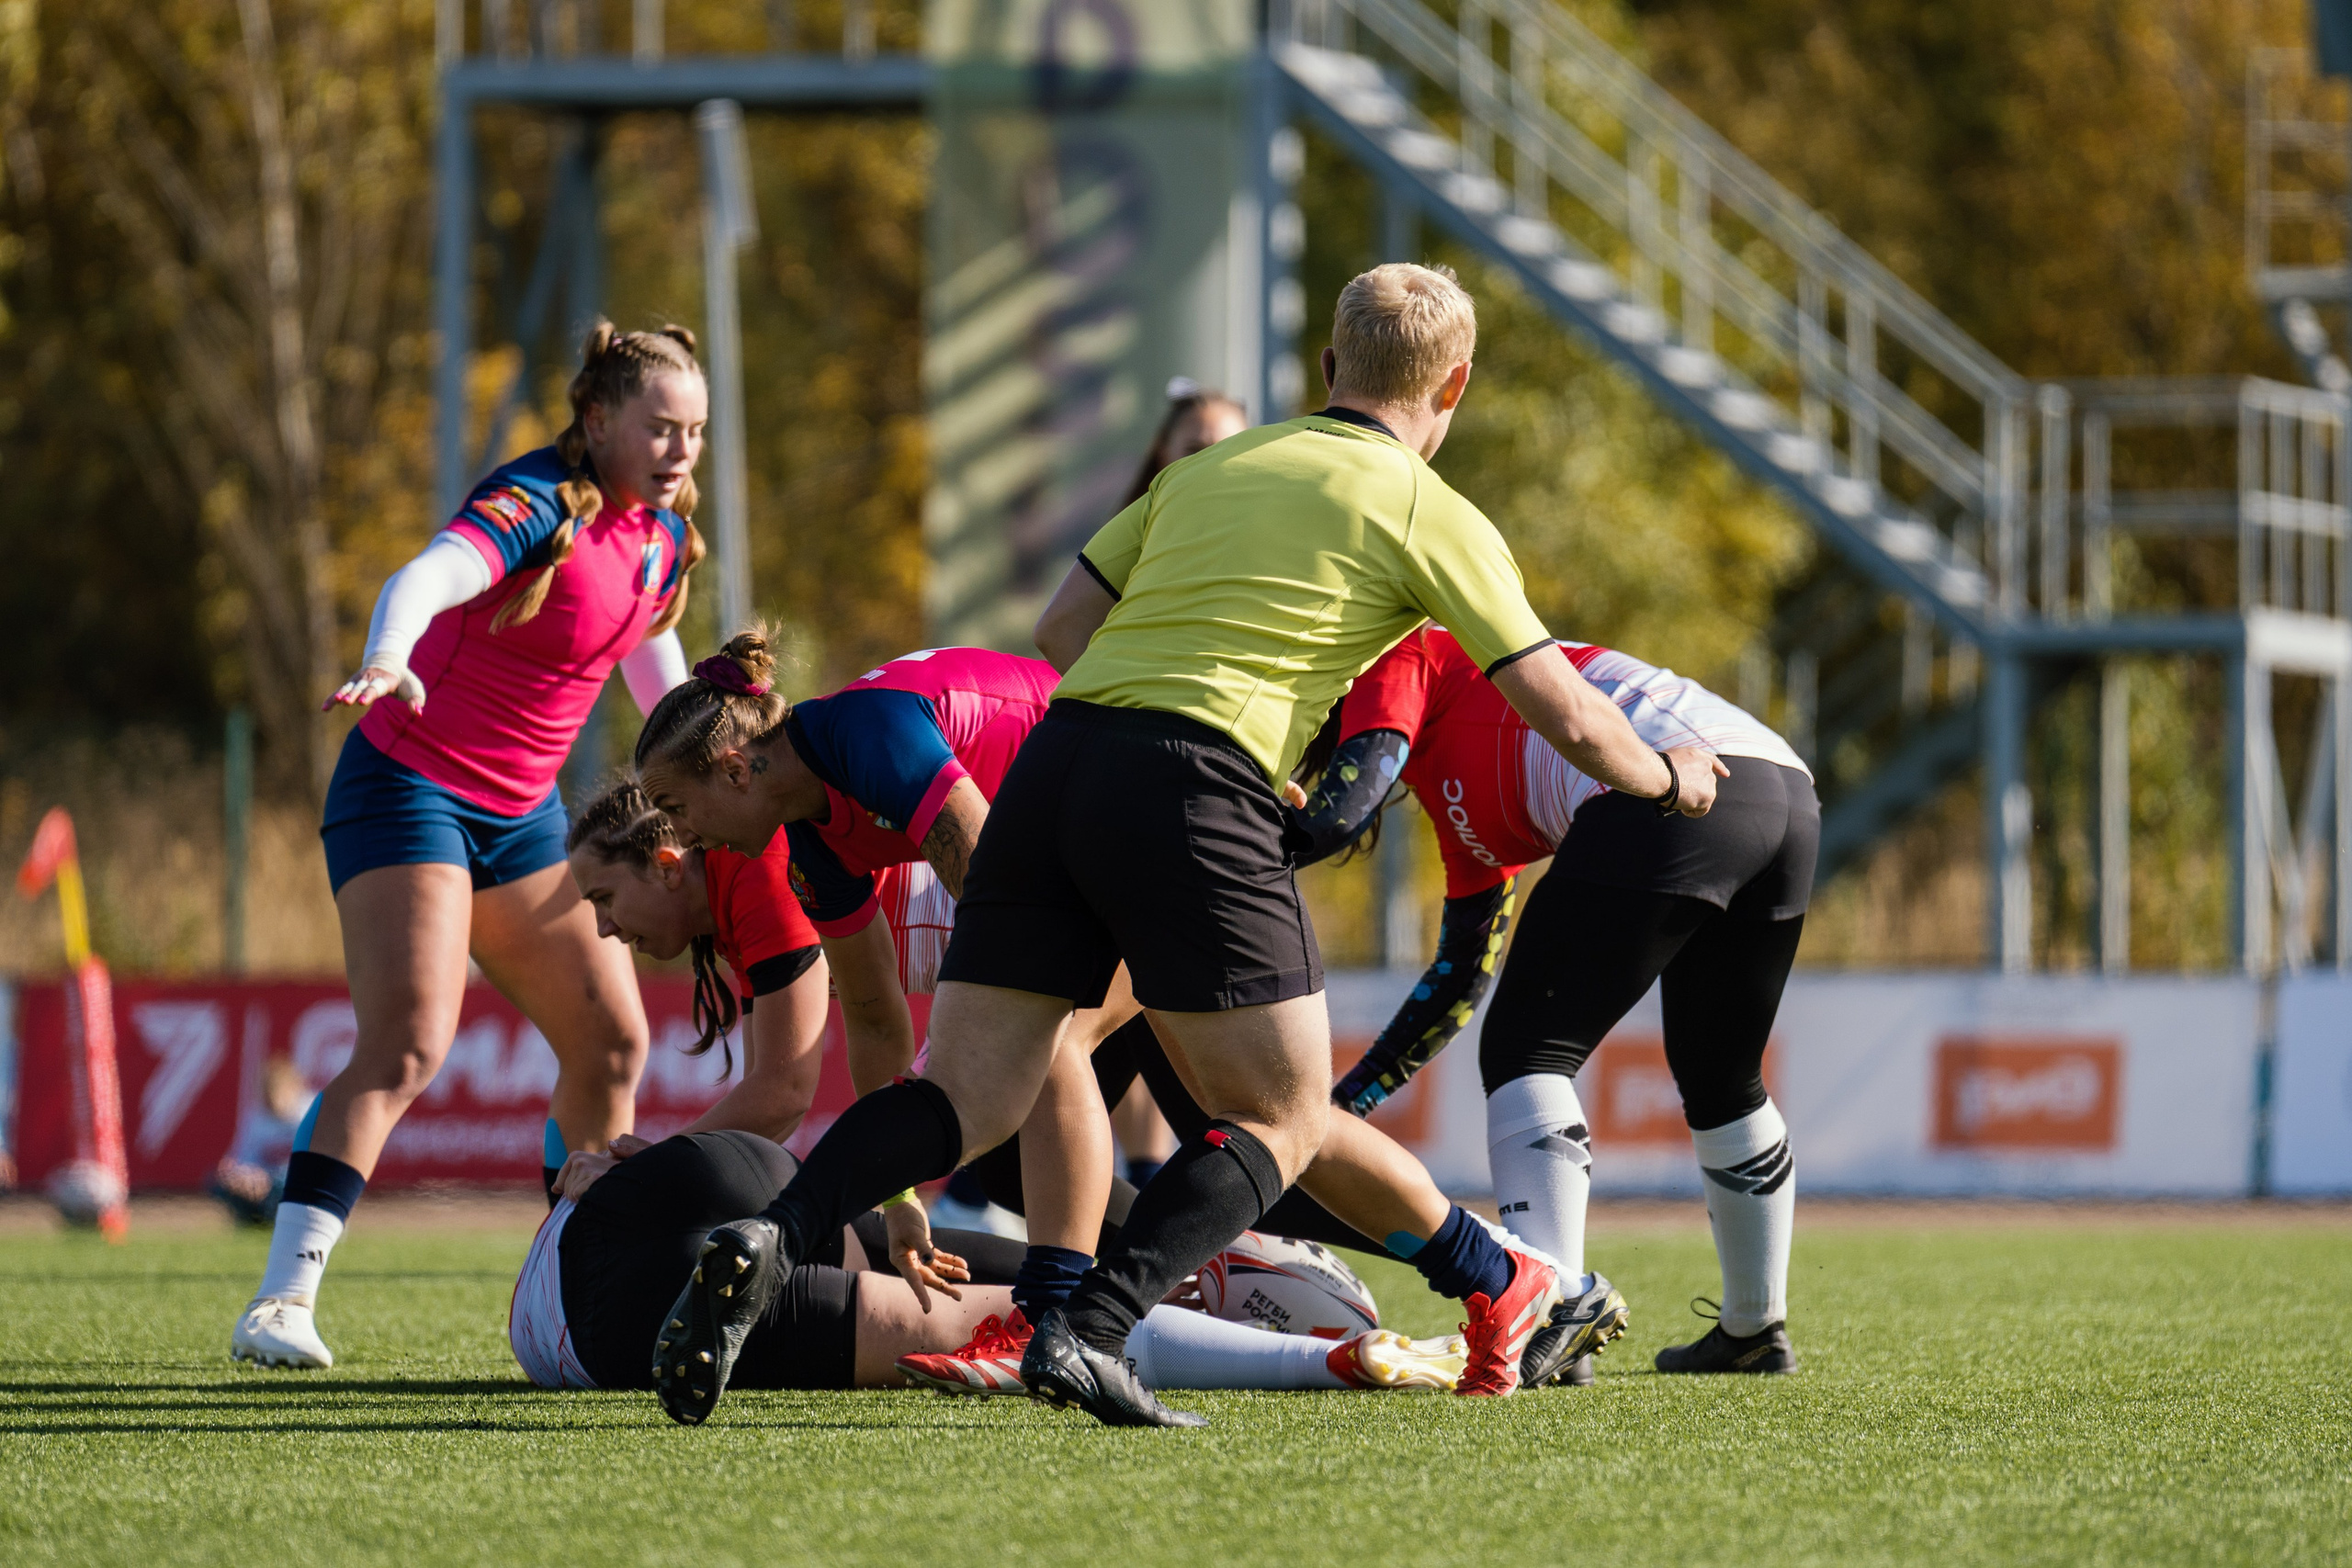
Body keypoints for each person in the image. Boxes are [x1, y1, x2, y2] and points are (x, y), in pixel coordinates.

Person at [650, 262, 1722, 1428]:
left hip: (1060, 763)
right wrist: (1669, 776)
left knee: (961, 1093)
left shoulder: (1212, 465)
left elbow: (1061, 631)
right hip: (1197, 779)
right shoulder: (1428, 510)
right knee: (1281, 1114)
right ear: (1454, 384)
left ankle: (776, 1232)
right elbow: (1564, 713)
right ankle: (1089, 1329)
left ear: (1327, 369)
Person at [232, 322, 707, 1371]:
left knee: (613, 1042)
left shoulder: (660, 540)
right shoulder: (540, 500)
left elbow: (658, 687)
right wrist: (386, 657)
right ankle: (282, 1300)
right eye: (660, 428)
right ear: (597, 420)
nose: (680, 451)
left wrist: (718, 777)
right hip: (408, 788)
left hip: (523, 817)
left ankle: (565, 1278)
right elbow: (428, 574)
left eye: (696, 433)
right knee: (406, 1044)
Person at [1296, 626, 1816, 1375]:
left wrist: (1253, 842)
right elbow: (1460, 974)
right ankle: (1753, 1328)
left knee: (1526, 1051)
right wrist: (1348, 1106)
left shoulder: (1395, 647)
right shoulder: (1463, 794)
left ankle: (1555, 1308)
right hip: (1785, 793)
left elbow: (1356, 786)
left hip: (1670, 782)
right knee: (1721, 1077)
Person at [513, 1130, 1470, 1397]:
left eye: (606, 900)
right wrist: (892, 1202)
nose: (605, 922)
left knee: (993, 1329)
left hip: (604, 1294)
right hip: (739, 1165)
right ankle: (1199, 1274)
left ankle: (1322, 1362)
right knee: (1052, 1291)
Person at [1121, 378, 1249, 507]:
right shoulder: (1135, 525)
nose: (1212, 466)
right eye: (1196, 451)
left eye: (1229, 454)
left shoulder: (1264, 522)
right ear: (1162, 452)